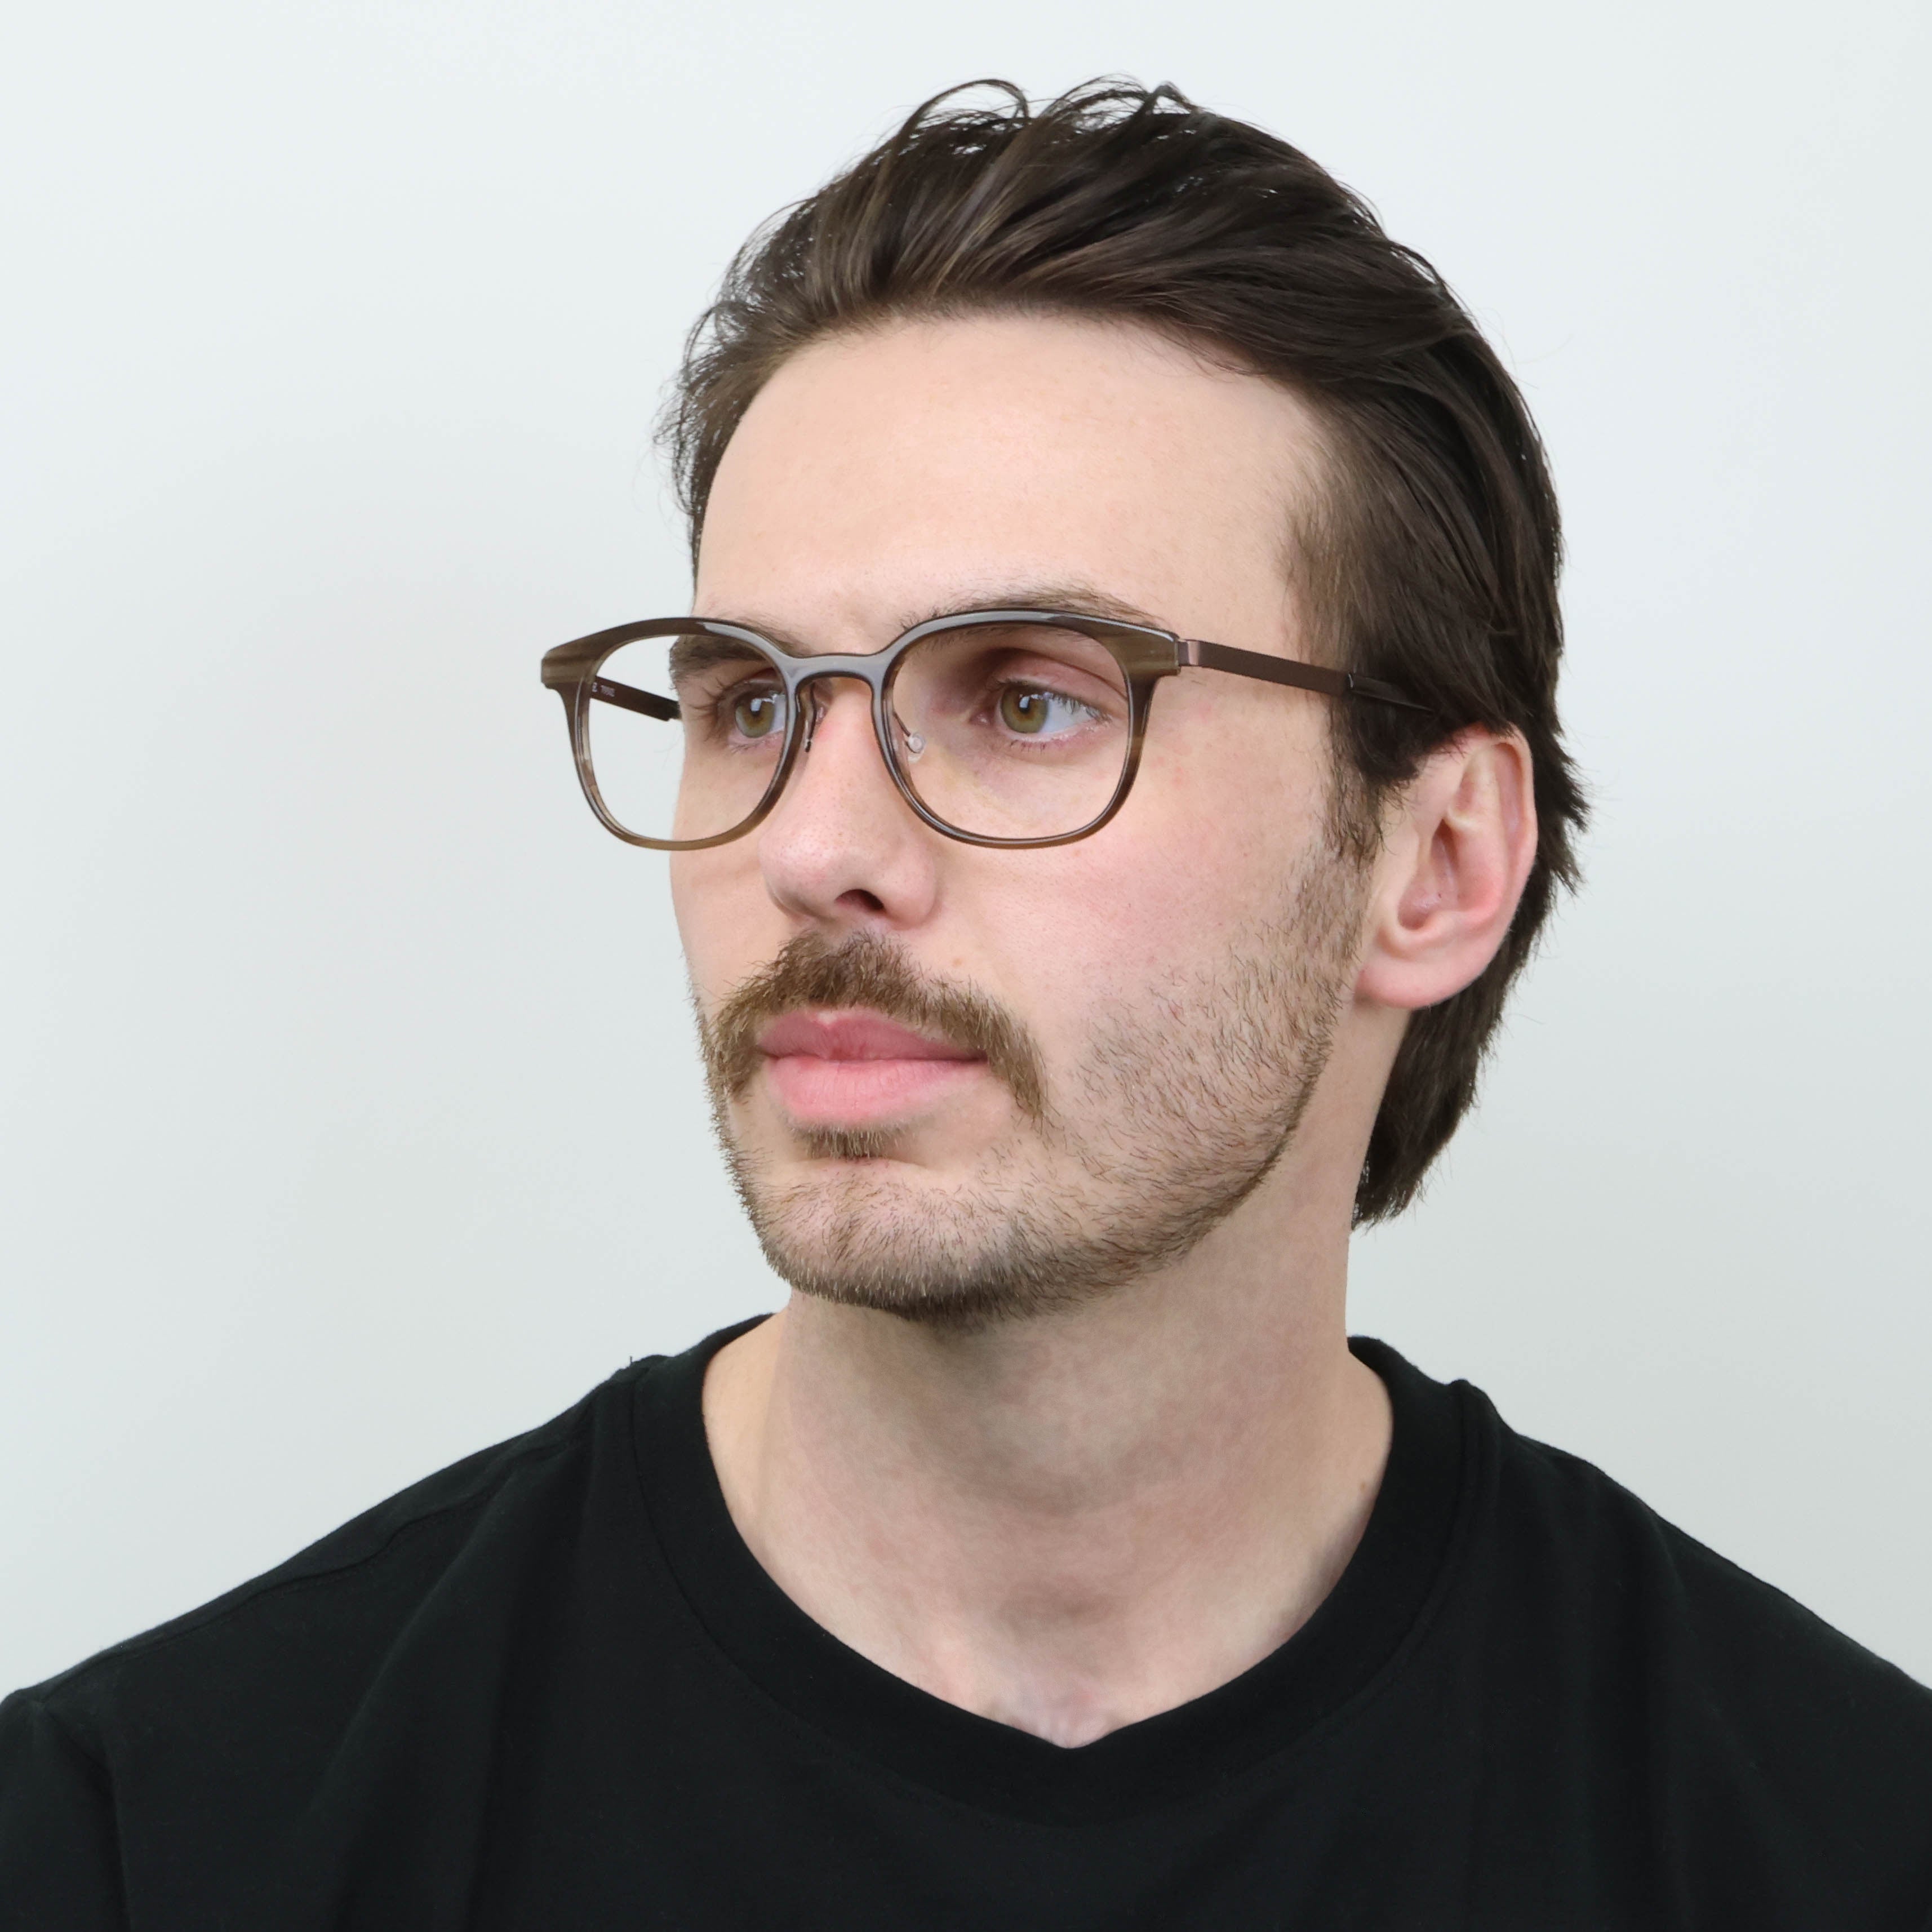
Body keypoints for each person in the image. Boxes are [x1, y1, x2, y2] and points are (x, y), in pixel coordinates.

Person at [3, 77, 1927, 1931]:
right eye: (750, 702)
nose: (812, 846)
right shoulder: (145, 1851)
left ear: (1433, 863)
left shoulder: (1841, 1855)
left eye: (1027, 699)